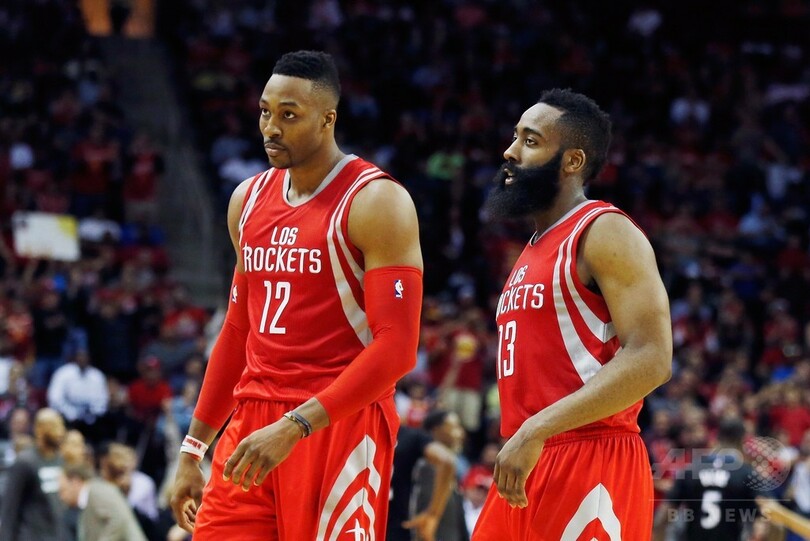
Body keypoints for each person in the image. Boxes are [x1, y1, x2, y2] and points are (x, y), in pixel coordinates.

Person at [170, 50, 423, 540]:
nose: (271, 127)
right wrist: (193, 448)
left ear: (328, 119)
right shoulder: (247, 200)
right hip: (253, 422)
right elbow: (238, 331)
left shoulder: (376, 201)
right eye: (265, 112)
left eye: (289, 115)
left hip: (337, 421)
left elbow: (397, 346)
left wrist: (296, 425)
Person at [471, 88, 673, 540]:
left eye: (530, 140)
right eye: (514, 137)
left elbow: (653, 357)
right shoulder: (532, 250)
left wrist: (537, 428)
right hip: (526, 454)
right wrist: (530, 435)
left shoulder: (604, 230)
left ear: (572, 160)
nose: (510, 151)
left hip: (588, 455)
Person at [653, 418, 769, 541]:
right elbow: (765, 518)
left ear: (717, 438)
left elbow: (663, 516)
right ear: (742, 441)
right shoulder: (746, 473)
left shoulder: (692, 469)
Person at [389, 410, 459, 541]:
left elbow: (447, 463)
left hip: (369, 521)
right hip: (397, 527)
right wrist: (433, 515)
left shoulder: (362, 435)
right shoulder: (411, 438)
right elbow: (447, 462)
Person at [0, 408, 67, 541]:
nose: (60, 431)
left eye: (61, 426)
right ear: (39, 429)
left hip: (56, 535)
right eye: (54, 426)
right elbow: (10, 509)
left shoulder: (61, 460)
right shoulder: (25, 462)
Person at [410, 410, 469, 541]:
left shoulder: (450, 467)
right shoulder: (425, 467)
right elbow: (420, 512)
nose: (460, 433)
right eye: (454, 427)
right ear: (435, 430)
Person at [58, 462, 147, 541]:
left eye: (63, 490)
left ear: (75, 482)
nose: (61, 497)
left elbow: (119, 518)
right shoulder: (85, 503)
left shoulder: (97, 491)